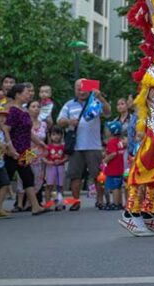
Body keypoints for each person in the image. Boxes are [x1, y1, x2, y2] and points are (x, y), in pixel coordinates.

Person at [57, 78, 111, 211]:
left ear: (89, 89)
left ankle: (100, 200)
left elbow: (108, 113)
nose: (81, 92)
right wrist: (69, 121)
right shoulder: (69, 104)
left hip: (94, 145)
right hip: (75, 147)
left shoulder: (95, 102)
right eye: (78, 89)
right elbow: (59, 121)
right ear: (75, 90)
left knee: (98, 175)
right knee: (75, 175)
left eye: (84, 89)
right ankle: (76, 202)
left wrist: (100, 98)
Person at [4, 84, 49, 215]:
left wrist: (40, 143)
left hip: (26, 150)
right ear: (18, 94)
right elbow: (6, 129)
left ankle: (35, 206)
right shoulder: (13, 110)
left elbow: (28, 132)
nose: (29, 94)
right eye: (26, 92)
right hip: (15, 151)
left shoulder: (24, 111)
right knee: (5, 178)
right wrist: (10, 147)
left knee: (28, 177)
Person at [102, 120, 126, 210]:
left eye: (107, 129)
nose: (106, 131)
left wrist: (105, 160)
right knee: (118, 186)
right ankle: (119, 203)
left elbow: (113, 153)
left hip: (113, 168)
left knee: (114, 187)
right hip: (119, 167)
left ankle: (115, 203)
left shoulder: (111, 142)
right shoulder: (119, 141)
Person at [28, 99, 48, 198]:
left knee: (38, 177)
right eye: (33, 106)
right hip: (28, 152)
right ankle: (20, 202)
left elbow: (47, 139)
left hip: (40, 154)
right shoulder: (25, 122)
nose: (36, 109)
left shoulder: (44, 124)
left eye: (38, 107)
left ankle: (32, 201)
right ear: (28, 109)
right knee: (24, 177)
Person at [44, 126, 67, 209]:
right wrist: (48, 162)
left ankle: (60, 203)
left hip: (60, 168)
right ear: (50, 136)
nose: (56, 136)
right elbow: (43, 157)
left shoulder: (63, 147)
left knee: (60, 186)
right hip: (50, 168)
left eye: (58, 134)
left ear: (61, 135)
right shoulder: (48, 147)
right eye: (53, 134)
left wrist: (61, 161)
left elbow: (66, 157)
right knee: (49, 185)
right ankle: (48, 204)